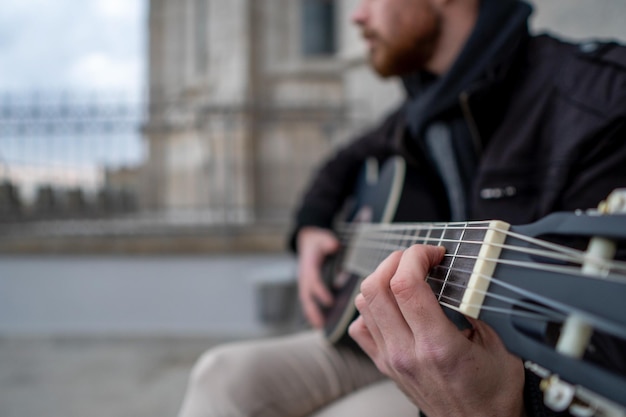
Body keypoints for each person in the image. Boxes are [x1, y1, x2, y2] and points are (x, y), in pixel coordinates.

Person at [177, 0, 626, 416]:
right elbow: (342, 162)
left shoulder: (600, 98)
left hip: (507, 375)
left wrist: (516, 402)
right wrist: (311, 227)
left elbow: (603, 350)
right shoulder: (421, 108)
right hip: (398, 335)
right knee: (221, 375)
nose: (356, 16)